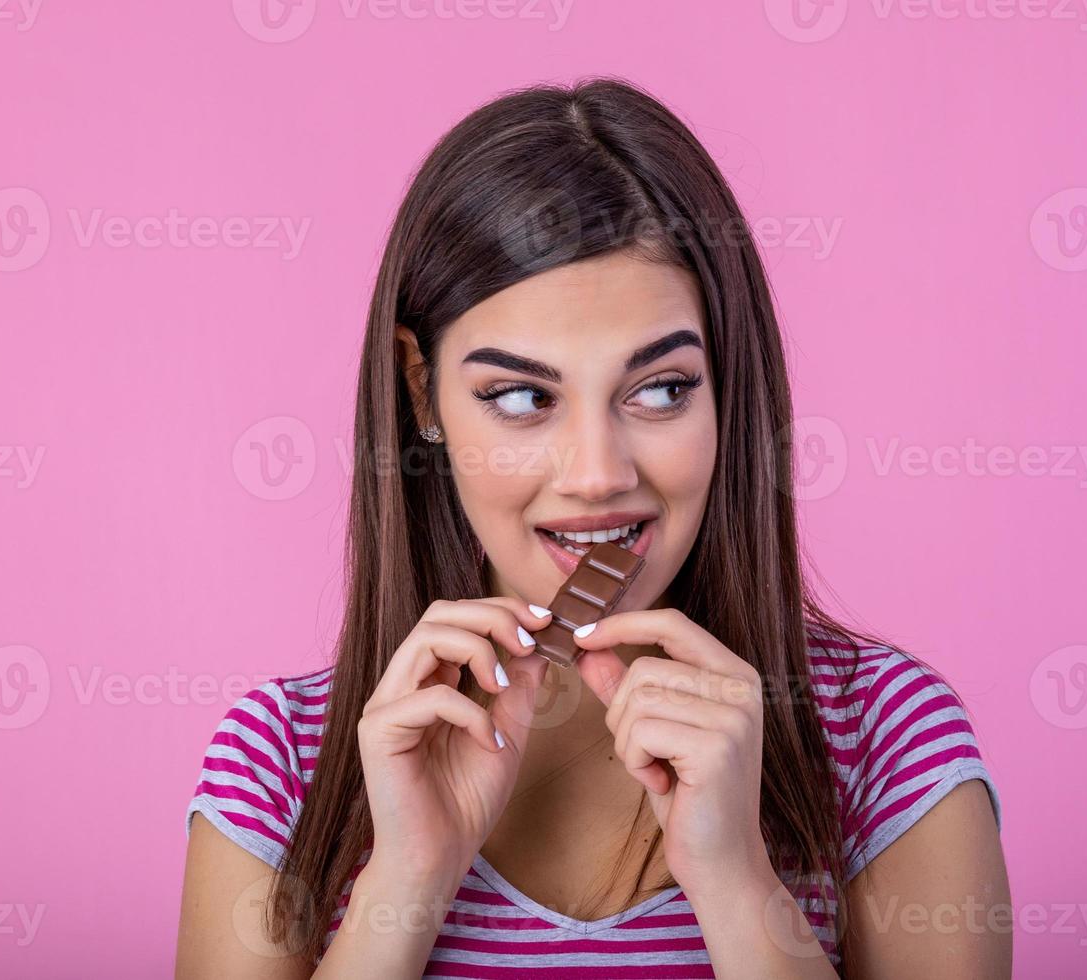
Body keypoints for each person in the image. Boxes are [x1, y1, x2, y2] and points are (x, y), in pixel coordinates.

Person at [175, 77, 1009, 979]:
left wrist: (736, 884)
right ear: (422, 391)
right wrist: (405, 882)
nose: (599, 473)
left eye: (661, 390)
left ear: (729, 386)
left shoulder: (886, 738)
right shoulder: (280, 765)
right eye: (523, 398)